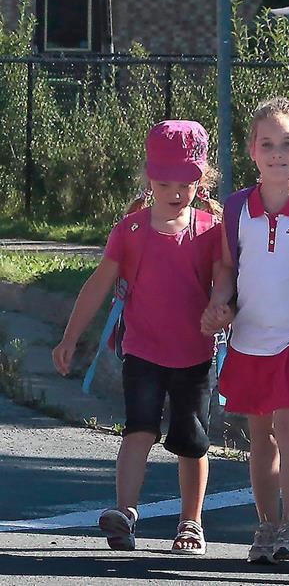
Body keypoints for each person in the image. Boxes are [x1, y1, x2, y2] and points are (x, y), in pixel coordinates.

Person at [52, 120, 222, 556]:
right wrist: (70, 337)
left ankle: (191, 522)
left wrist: (224, 310)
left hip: (194, 355)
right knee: (138, 429)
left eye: (186, 181)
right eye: (165, 181)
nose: (175, 190)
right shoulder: (130, 230)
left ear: (200, 180)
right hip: (143, 351)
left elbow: (226, 282)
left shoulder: (210, 231)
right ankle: (125, 514)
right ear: (149, 178)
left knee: (192, 439)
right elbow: (98, 285)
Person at [201, 97, 289, 565]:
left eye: (288, 143)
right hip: (249, 339)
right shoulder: (236, 208)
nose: (278, 152)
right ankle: (266, 524)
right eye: (268, 144)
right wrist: (221, 303)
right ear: (251, 151)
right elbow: (225, 266)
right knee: (261, 436)